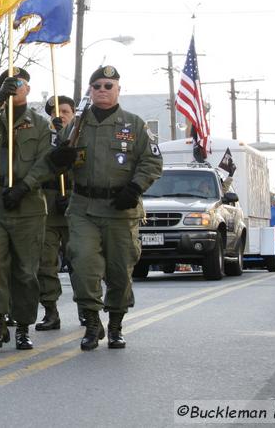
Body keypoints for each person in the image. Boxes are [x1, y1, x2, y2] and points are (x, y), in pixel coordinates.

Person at [49, 66, 163, 351]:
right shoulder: (75, 126)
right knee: (84, 265)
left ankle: (115, 325)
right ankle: (90, 322)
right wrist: (59, 158)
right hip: (84, 207)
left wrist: (135, 189)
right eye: (97, 85)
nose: (102, 90)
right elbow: (54, 160)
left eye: (108, 86)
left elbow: (151, 162)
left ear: (118, 90)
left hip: (120, 209)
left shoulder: (134, 125)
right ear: (90, 90)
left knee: (119, 271)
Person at [0, 68, 56, 350]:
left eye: (19, 83)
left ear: (28, 89)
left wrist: (24, 186)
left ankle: (22, 326)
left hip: (27, 203)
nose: (14, 87)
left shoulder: (41, 125)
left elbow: (46, 162)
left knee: (26, 271)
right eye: (8, 84)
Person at [36, 95, 75, 331]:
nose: (58, 115)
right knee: (45, 263)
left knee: (80, 261)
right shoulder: (42, 138)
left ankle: (86, 310)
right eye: (53, 112)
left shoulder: (81, 134)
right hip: (47, 205)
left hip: (74, 203)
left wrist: (70, 192)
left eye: (64, 111)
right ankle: (50, 311)